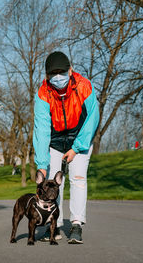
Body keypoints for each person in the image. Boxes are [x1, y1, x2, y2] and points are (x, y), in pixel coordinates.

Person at [33, 51, 100, 244]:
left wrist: (77, 148)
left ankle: (77, 224)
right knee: (53, 182)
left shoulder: (84, 86)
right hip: (55, 141)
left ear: (70, 70)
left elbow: (92, 119)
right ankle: (54, 225)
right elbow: (42, 129)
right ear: (47, 76)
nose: (58, 77)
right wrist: (41, 163)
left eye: (61, 72)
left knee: (78, 179)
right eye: (53, 73)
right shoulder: (43, 93)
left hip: (79, 138)